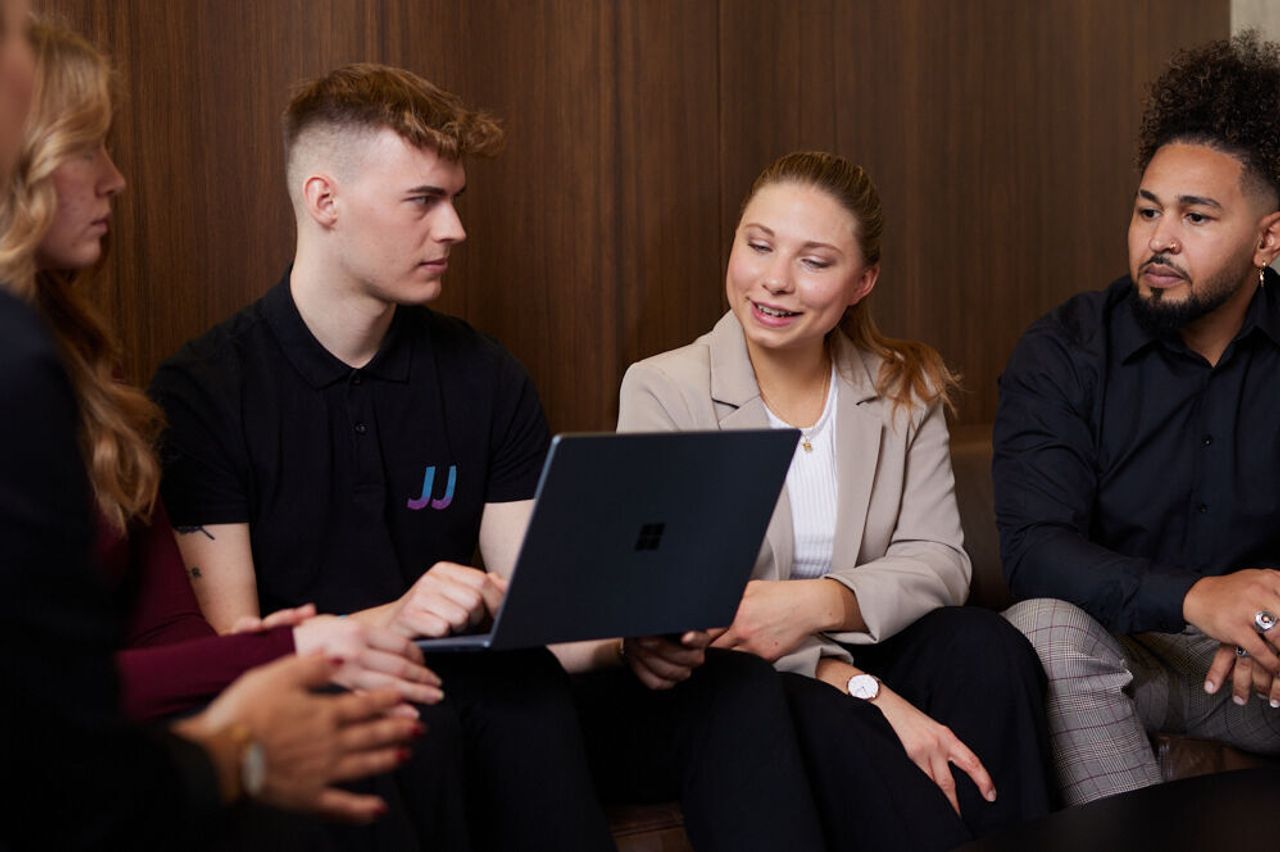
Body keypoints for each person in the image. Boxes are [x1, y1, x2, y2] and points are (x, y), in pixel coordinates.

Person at [150, 63, 829, 852]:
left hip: (488, 687)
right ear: (324, 201)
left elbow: (541, 614)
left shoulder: (483, 375)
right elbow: (236, 650)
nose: (454, 230)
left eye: (454, 200)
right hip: (337, 695)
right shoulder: (207, 388)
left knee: (726, 687)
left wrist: (626, 643)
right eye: (423, 201)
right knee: (463, 710)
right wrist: (390, 621)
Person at [0, 10, 417, 851]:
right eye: (88, 147)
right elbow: (45, 709)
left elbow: (164, 627)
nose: (116, 179)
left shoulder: (85, 374)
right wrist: (293, 648)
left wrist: (261, 660)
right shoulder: (18, 369)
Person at [617, 150, 1052, 849]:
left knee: (985, 646)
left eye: (814, 262)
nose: (774, 281)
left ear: (862, 281)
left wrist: (817, 603)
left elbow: (938, 560)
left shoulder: (905, 386)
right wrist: (860, 686)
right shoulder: (665, 390)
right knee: (806, 713)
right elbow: (682, 601)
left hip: (866, 638)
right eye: (758, 246)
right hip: (749, 676)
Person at [996, 31, 1280, 806]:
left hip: (1269, 670)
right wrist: (1198, 599)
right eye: (1148, 210)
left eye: (1196, 217)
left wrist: (1265, 624)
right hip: (1135, 658)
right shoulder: (1065, 350)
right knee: (1043, 630)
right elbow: (1033, 551)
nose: (1159, 240)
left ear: (1269, 237)